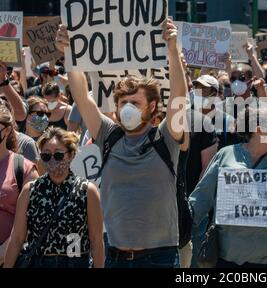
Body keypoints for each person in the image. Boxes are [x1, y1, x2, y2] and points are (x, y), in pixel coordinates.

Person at [55, 18, 187, 268]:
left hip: (159, 259)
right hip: (114, 256)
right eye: (123, 103)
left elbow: (179, 98)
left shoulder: (165, 138)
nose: (128, 109)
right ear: (114, 108)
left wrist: (173, 51)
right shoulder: (109, 135)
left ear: (152, 107)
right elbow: (82, 96)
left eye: (135, 103)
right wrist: (70, 53)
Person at [189, 107, 267, 267]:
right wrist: (181, 228)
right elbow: (202, 197)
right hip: (231, 254)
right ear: (260, 130)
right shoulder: (227, 155)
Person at [3, 127, 104, 268]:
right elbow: (17, 238)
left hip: (75, 262)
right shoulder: (30, 191)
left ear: (71, 155)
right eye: (46, 156)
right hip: (38, 263)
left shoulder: (87, 191)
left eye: (58, 155)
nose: (52, 160)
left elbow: (96, 240)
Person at [185, 74, 219, 267]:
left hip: (197, 202)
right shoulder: (180, 118)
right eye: (195, 89)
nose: (198, 93)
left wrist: (194, 204)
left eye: (204, 90)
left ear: (215, 94)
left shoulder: (222, 121)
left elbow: (207, 169)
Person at [0, 105, 39, 266]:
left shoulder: (24, 168)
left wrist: (6, 251)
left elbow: (34, 217)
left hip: (12, 258)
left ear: (8, 130)